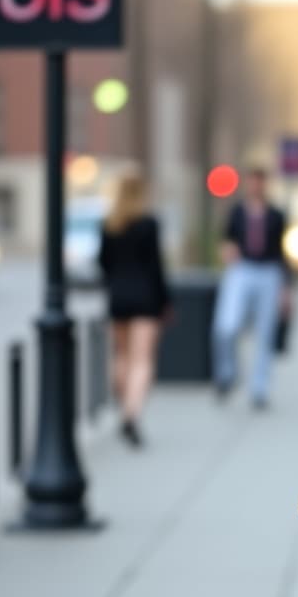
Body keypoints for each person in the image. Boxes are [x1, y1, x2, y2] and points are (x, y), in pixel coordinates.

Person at [98, 169, 171, 448]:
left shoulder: (108, 225)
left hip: (118, 297)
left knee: (122, 356)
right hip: (146, 298)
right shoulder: (149, 223)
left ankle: (123, 404)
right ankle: (131, 414)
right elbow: (156, 267)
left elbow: (103, 262)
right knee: (143, 360)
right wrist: (165, 300)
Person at [211, 165, 288, 409]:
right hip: (242, 269)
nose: (256, 187)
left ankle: (259, 388)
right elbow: (225, 240)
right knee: (227, 326)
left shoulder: (276, 214)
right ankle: (227, 373)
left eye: (259, 182)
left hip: (268, 271)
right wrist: (227, 250)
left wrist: (286, 287)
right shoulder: (236, 212)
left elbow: (281, 251)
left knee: (265, 332)